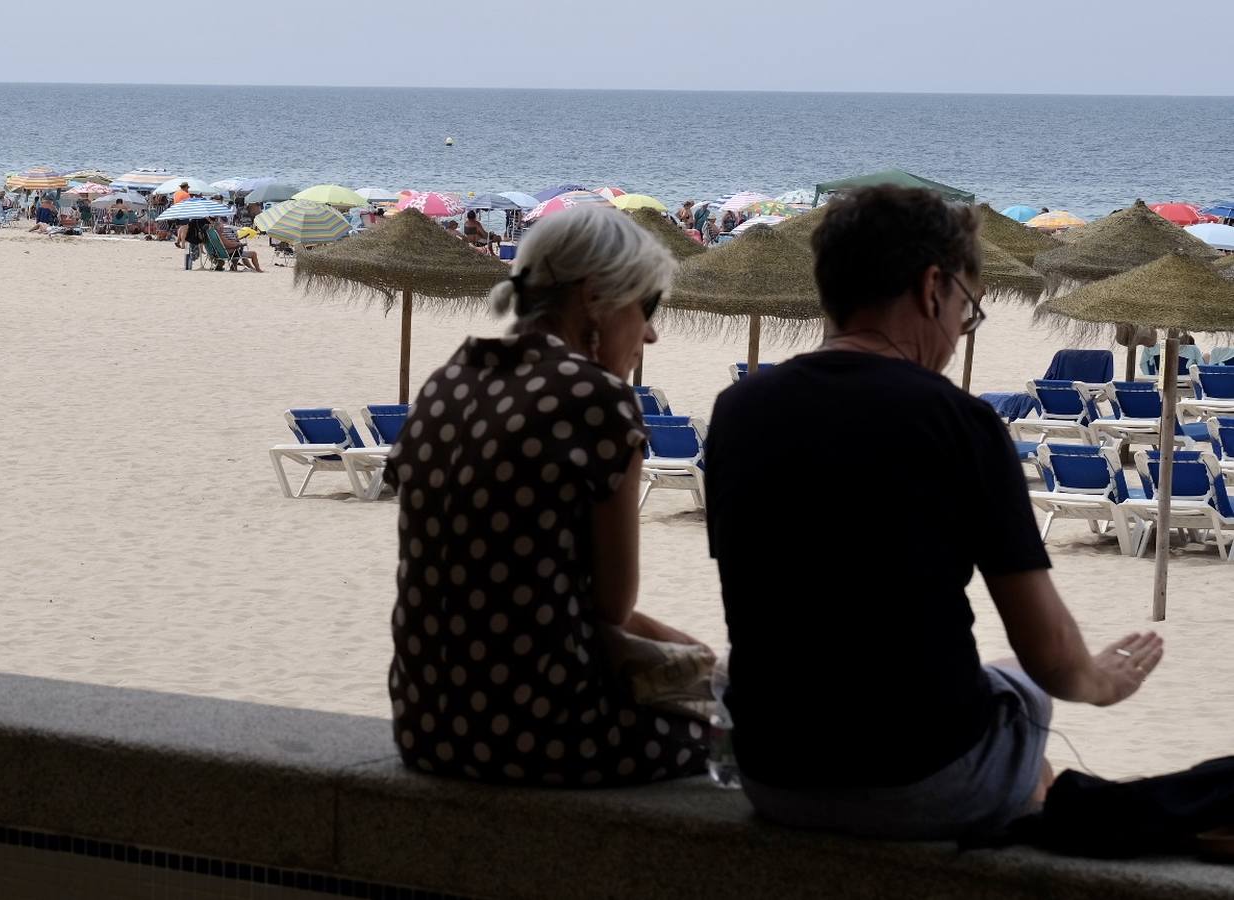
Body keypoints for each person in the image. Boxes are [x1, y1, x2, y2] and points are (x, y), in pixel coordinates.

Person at [705, 185, 1163, 840]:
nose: (955, 336)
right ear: (931, 288)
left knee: (1001, 687)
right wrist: (1100, 683)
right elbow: (1050, 652)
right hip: (920, 781)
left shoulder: (737, 410)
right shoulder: (959, 421)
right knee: (1029, 705)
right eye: (965, 311)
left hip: (773, 774)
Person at [386, 205, 709, 786]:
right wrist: (698, 659)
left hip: (425, 724)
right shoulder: (597, 399)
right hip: (544, 731)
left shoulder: (445, 384)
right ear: (593, 297)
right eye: (648, 305)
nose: (652, 332)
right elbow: (609, 607)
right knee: (725, 741)